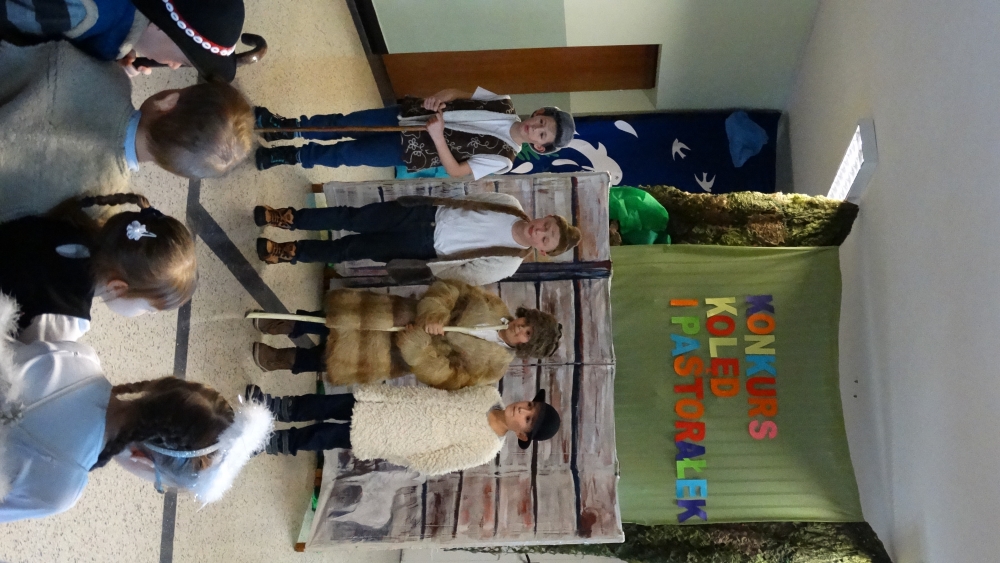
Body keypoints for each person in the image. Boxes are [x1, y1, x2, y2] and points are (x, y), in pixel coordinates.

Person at [0, 294, 273, 522]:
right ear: (142, 459)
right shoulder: (61, 488)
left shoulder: (80, 358)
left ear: (161, 388)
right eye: (158, 482)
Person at [0, 40, 254, 223]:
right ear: (175, 169)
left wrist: (117, 71)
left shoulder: (107, 72)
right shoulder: (103, 204)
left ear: (168, 101)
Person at [251, 279, 562, 390]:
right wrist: (435, 312)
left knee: (328, 359)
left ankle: (278, 359)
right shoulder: (494, 305)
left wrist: (420, 349)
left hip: (396, 353)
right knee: (331, 320)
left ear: (525, 346)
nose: (520, 327)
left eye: (527, 334)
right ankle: (281, 323)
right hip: (394, 313)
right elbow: (451, 289)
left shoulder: (493, 368)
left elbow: (451, 379)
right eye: (526, 322)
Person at [254, 192, 582, 286]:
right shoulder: (510, 203)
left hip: (423, 248)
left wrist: (427, 265)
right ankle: (289, 218)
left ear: (542, 251)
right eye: (547, 225)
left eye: (546, 239)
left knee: (351, 248)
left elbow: (463, 276)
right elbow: (467, 200)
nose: (540, 231)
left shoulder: (508, 263)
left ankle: (289, 251)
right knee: (352, 216)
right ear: (546, 216)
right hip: (423, 214)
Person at [254, 87, 576, 179]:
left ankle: (292, 155)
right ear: (539, 113)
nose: (537, 128)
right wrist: (439, 99)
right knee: (344, 122)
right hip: (408, 115)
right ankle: (287, 127)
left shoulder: (504, 159)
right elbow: (458, 93)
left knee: (347, 153)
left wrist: (437, 137)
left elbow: (457, 171)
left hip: (410, 149)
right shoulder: (503, 102)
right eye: (543, 122)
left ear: (540, 147)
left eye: (542, 135)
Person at [0, 193, 197, 342]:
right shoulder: (65, 320)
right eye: (148, 309)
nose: (145, 315)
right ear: (118, 287)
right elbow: (20, 366)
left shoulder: (73, 226)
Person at [246, 383, 560, 476]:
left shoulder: (485, 448)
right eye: (529, 405)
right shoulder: (488, 394)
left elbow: (437, 463)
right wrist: (397, 396)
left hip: (392, 436)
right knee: (327, 405)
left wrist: (399, 448)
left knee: (324, 436)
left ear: (522, 435)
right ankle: (274, 406)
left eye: (528, 419)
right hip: (389, 403)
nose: (522, 410)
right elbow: (443, 391)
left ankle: (271, 442)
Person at [0, 0, 247, 82]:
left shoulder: (112, 28)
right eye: (182, 60)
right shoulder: (81, 11)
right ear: (162, 27)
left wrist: (110, 60)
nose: (173, 66)